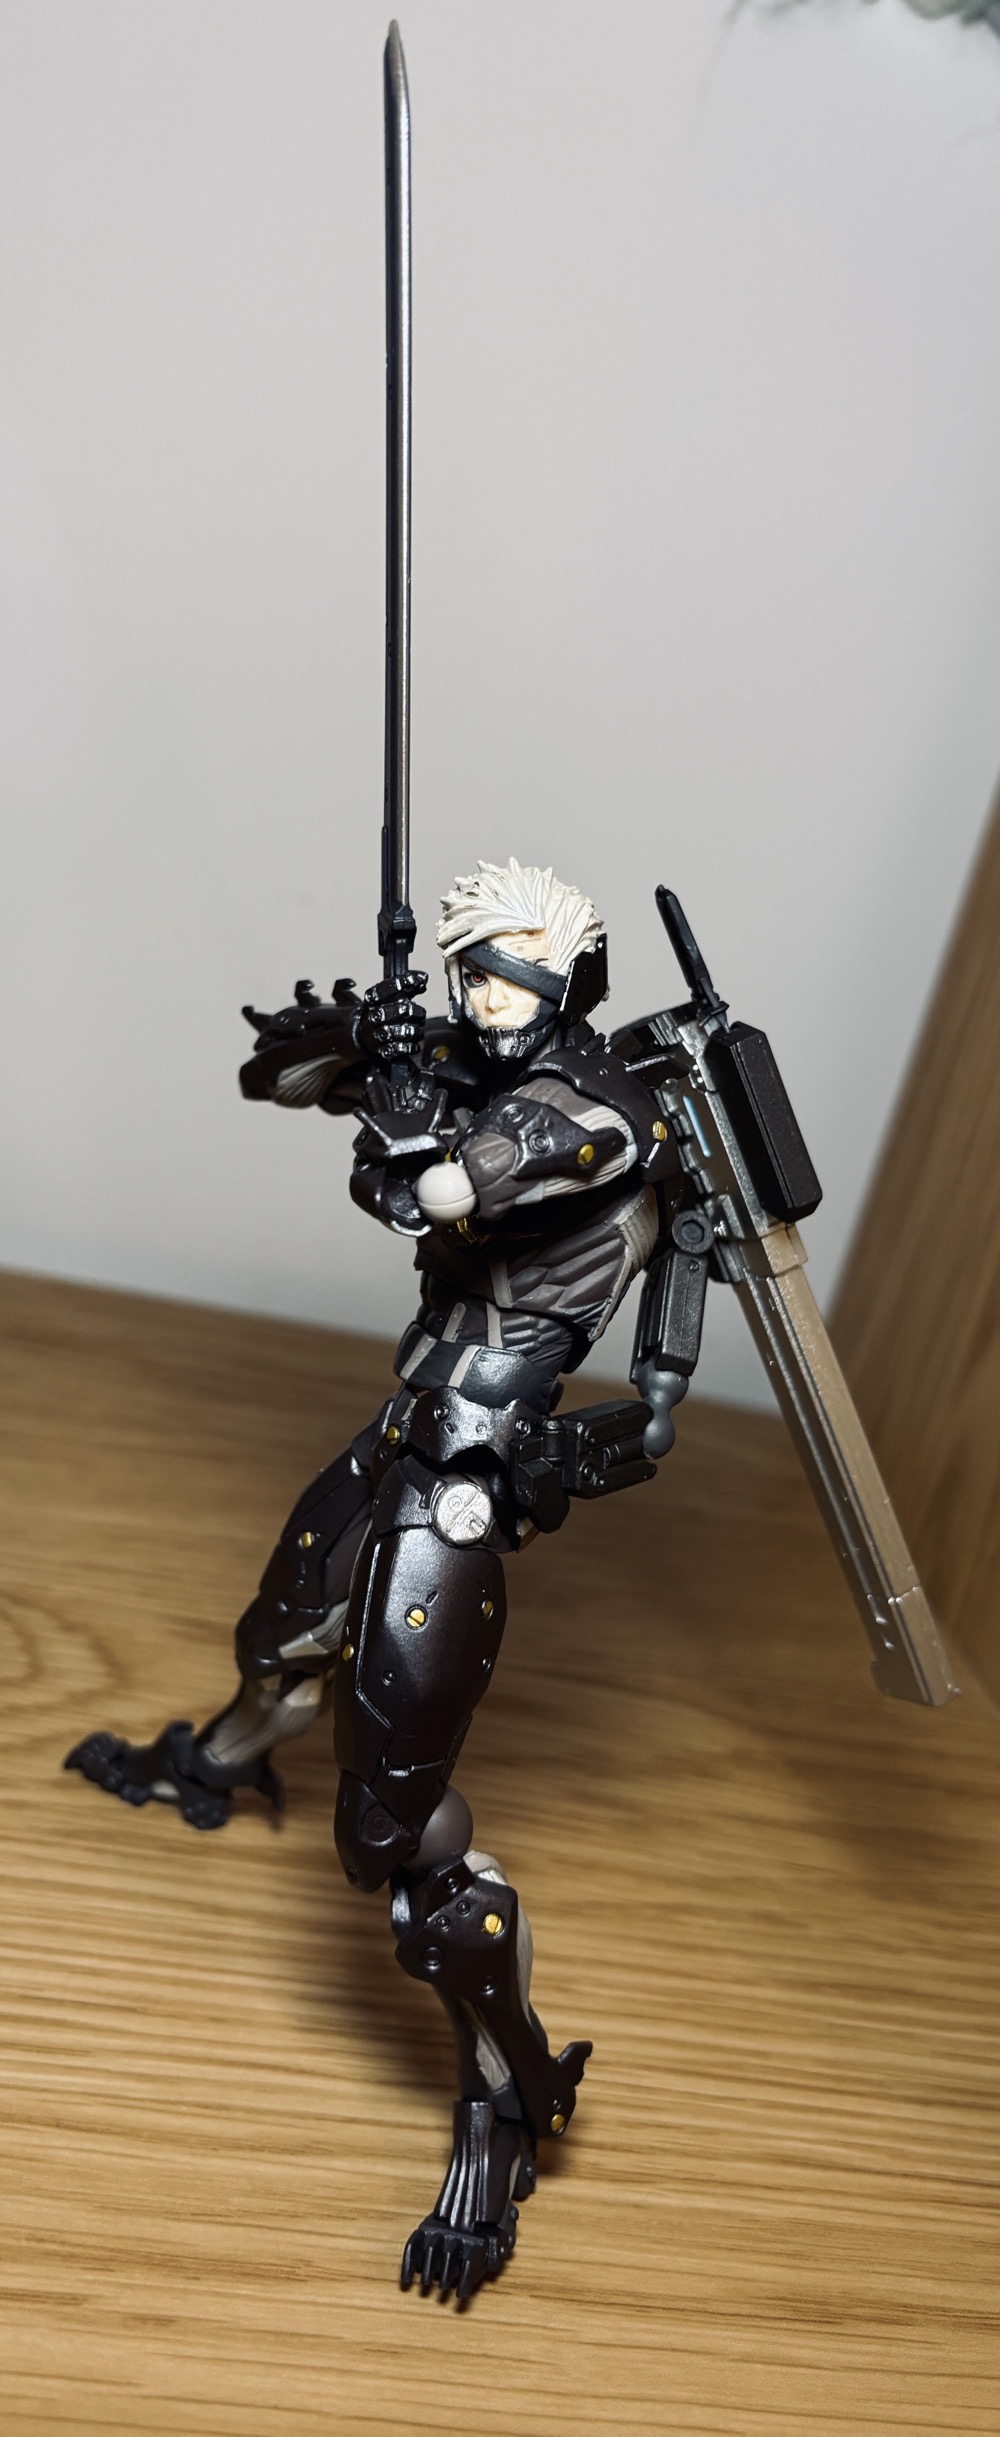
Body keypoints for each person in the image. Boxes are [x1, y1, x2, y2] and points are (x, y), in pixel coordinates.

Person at [66, 856, 687, 2300]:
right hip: (404, 1422)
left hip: (472, 1468)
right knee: (283, 1629)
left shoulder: (595, 1111)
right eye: (469, 975)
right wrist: (358, 1042)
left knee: (395, 1832)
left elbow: (442, 1188)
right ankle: (220, 1764)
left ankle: (508, 2094)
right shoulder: (478, 1062)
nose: (480, 1000)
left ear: (564, 984)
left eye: (505, 981)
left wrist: (405, 1113)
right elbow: (271, 1085)